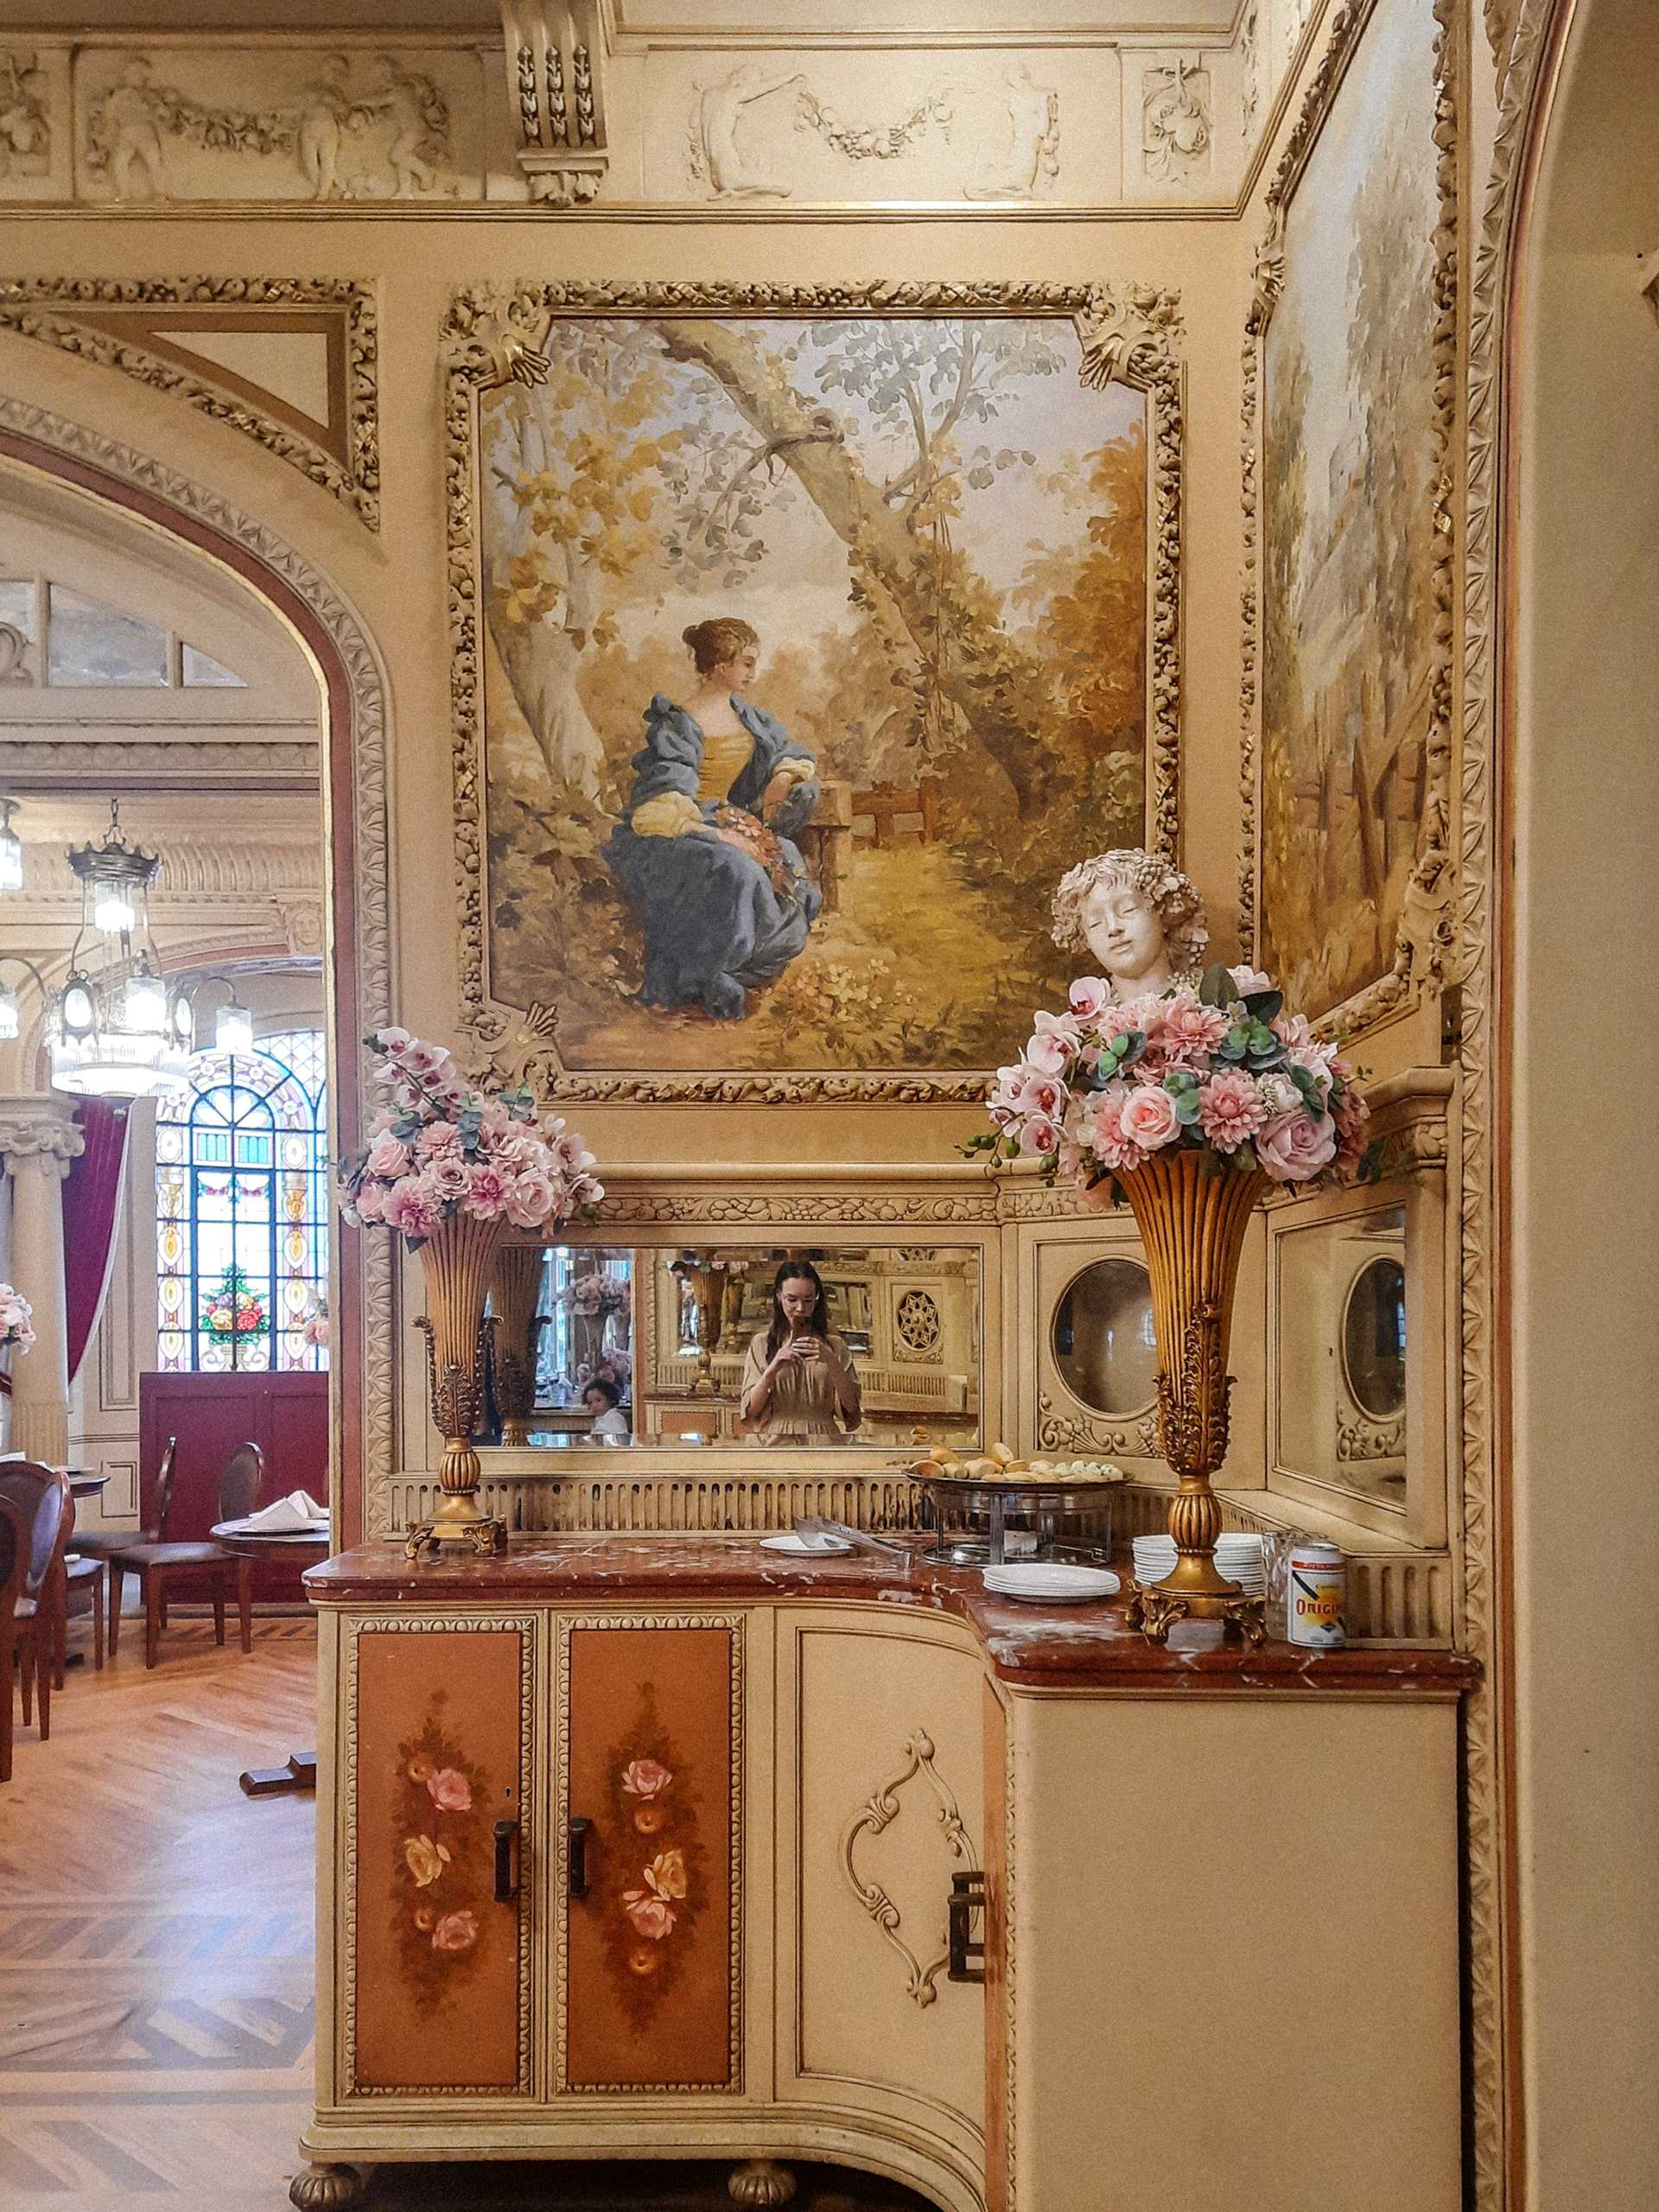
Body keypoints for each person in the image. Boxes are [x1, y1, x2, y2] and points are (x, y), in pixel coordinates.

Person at [606, 618, 823, 1021]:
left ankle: (746, 972)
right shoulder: (679, 724)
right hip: (681, 830)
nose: (753, 673)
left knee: (786, 859)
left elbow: (788, 751)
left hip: (730, 818)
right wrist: (722, 836)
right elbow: (658, 803)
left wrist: (782, 777)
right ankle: (709, 977)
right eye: (746, 663)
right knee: (737, 868)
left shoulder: (750, 718)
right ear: (721, 666)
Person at [1049, 848, 1208, 1003]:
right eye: (1095, 923)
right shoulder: (1088, 1020)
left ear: (1163, 911)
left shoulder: (1209, 1007)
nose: (1113, 928)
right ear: (1085, 939)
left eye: (1128, 910)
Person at [740, 1261, 861, 1446]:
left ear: (816, 1299)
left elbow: (852, 1408)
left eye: (808, 1300)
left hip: (823, 1440)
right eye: (792, 1300)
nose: (800, 1308)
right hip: (772, 1441)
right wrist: (773, 1368)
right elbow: (751, 1411)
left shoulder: (835, 1345)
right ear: (779, 1296)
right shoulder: (761, 1344)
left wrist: (831, 1361)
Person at [582, 1376, 629, 1442]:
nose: (594, 1406)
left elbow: (620, 1442)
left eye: (599, 1400)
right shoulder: (599, 1419)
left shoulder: (615, 1419)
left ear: (610, 1399)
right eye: (590, 1403)